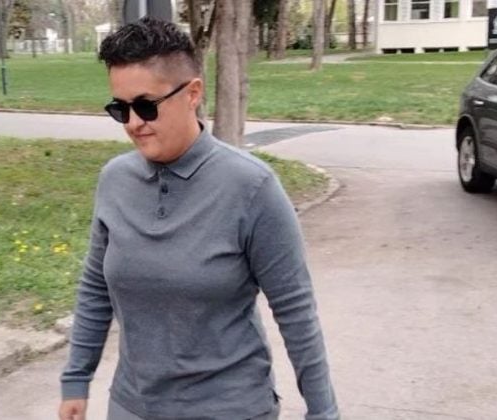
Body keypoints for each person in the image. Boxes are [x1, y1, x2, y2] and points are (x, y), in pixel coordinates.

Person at [58, 17, 339, 420]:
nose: (134, 123)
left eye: (146, 106)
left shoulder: (251, 187)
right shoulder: (115, 180)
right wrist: (76, 380)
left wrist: (323, 411)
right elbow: (95, 288)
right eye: (120, 108)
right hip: (133, 406)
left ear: (192, 93)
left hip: (229, 408)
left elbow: (295, 310)